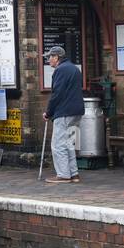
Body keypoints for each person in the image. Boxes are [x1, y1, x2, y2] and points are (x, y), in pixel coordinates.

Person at [42, 45, 84, 184]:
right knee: (70, 144)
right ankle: (74, 174)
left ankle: (63, 175)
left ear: (56, 57)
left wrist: (49, 112)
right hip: (77, 111)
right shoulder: (74, 69)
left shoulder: (60, 70)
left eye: (50, 57)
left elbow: (57, 94)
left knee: (58, 144)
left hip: (64, 112)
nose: (48, 60)